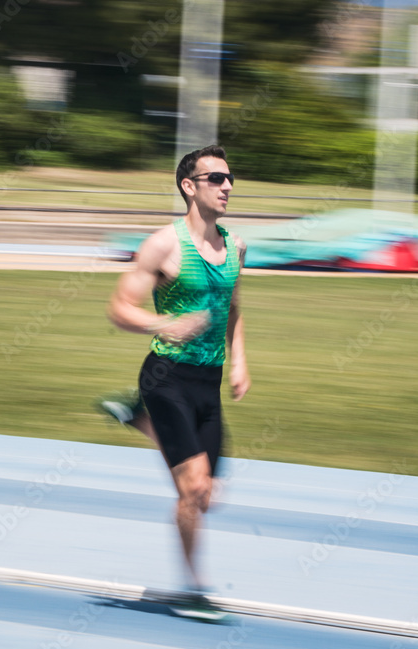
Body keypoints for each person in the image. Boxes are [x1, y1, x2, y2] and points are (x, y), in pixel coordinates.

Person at [104, 145, 250, 618]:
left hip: (208, 383)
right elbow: (119, 309)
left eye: (230, 178)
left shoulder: (236, 246)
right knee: (192, 490)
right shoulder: (163, 245)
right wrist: (161, 324)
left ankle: (139, 419)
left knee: (209, 496)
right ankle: (194, 588)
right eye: (216, 179)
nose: (227, 186)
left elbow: (232, 306)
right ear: (190, 186)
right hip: (166, 376)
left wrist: (240, 361)